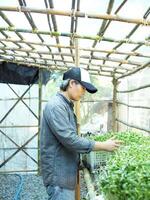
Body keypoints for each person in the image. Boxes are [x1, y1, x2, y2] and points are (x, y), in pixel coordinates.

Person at [40, 67, 122, 200]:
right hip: (59, 177)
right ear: (72, 83)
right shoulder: (56, 106)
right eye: (83, 88)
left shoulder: (65, 105)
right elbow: (69, 140)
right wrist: (103, 145)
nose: (84, 92)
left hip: (64, 174)